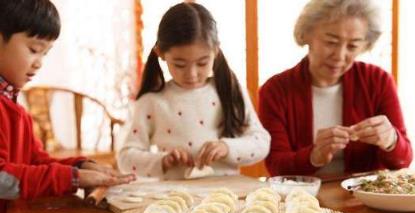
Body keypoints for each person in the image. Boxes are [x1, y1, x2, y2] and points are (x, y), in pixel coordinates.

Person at [0, 0, 135, 213]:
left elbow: (36, 162)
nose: (39, 62)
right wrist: (73, 178)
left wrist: (80, 166)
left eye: (45, 53)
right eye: (34, 49)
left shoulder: (16, 109)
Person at [117, 2, 270, 180]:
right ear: (160, 53)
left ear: (216, 51)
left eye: (202, 63)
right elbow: (125, 159)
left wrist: (227, 147)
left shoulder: (230, 92)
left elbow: (261, 143)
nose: (192, 74)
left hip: (227, 197)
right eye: (179, 64)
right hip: (173, 199)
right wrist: (163, 161)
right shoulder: (151, 102)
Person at [259, 0, 412, 176]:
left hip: (362, 198)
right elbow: (277, 167)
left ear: (365, 45)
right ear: (306, 35)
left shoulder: (378, 81)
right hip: (303, 198)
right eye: (331, 42)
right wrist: (313, 156)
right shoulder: (275, 90)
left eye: (353, 46)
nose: (339, 56)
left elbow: (404, 160)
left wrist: (391, 140)